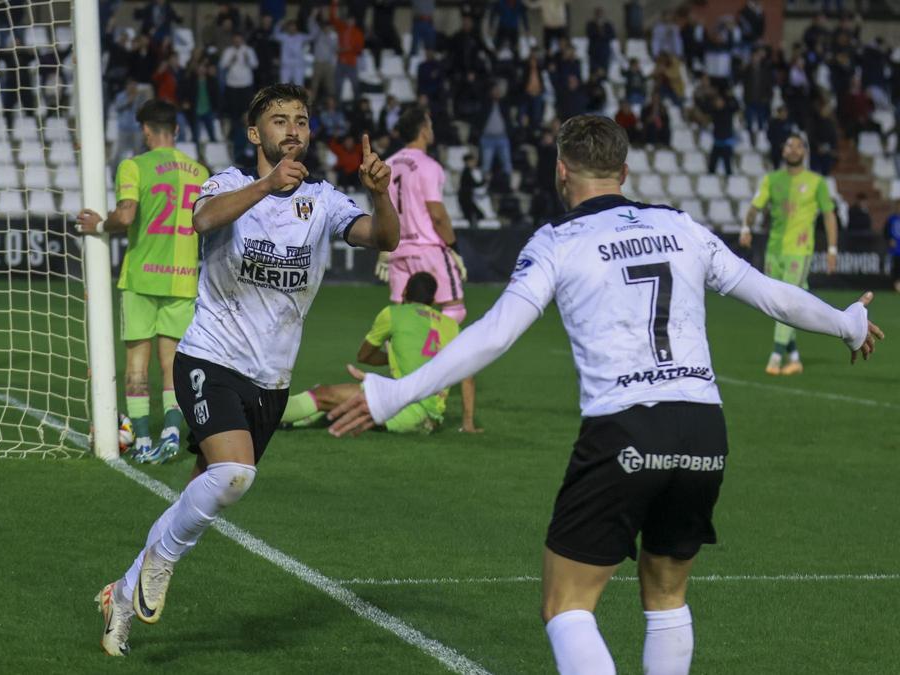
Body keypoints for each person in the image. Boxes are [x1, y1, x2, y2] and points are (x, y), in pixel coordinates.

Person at [327, 115, 884, 675]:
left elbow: (493, 335)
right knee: (666, 598)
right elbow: (774, 298)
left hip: (625, 430)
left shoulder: (558, 241)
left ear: (561, 170)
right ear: (624, 170)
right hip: (703, 430)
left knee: (565, 605)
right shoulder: (682, 227)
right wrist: (848, 324)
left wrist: (393, 393)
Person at [99, 83, 400, 658]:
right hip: (210, 358)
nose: (293, 129)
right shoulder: (230, 183)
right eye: (280, 120)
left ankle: (123, 590)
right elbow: (203, 219)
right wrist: (267, 185)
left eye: (302, 121)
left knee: (205, 488)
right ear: (254, 133)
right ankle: (159, 563)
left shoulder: (325, 201)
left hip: (271, 382)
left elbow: (384, 237)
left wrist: (381, 195)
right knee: (234, 474)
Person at [76, 100, 210, 463]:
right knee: (173, 364)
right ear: (177, 131)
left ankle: (143, 438)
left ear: (146, 131)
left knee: (137, 363)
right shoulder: (200, 172)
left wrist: (100, 225)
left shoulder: (133, 166)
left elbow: (127, 214)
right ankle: (170, 429)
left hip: (141, 278)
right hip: (183, 279)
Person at [281, 271, 478, 432]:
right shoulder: (452, 326)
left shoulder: (394, 314)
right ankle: (290, 423)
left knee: (323, 393)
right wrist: (468, 423)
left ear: (404, 292)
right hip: (431, 416)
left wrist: (394, 357)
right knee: (341, 401)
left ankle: (271, 414)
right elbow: (467, 377)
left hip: (405, 406)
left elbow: (364, 356)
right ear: (434, 299)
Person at [740, 134, 839, 375]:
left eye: (798, 146)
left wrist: (832, 249)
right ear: (783, 152)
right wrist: (746, 227)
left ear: (804, 152)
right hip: (774, 250)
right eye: (789, 145)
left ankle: (775, 357)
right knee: (780, 304)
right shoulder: (772, 180)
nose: (793, 149)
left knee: (786, 303)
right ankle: (794, 358)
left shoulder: (817, 182)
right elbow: (755, 207)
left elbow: (828, 215)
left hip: (800, 251)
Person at [377, 106, 469, 323]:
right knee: (454, 308)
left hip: (398, 251)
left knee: (402, 316)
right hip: (428, 248)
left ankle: (406, 353)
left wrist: (383, 249)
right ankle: (431, 348)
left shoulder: (388, 165)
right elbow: (437, 215)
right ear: (424, 131)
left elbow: (381, 212)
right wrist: (454, 248)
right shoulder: (429, 166)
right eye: (430, 124)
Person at [887, 201, 900, 293]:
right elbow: (886, 232)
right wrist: (889, 239)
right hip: (895, 250)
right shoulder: (891, 219)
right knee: (895, 267)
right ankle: (895, 286)